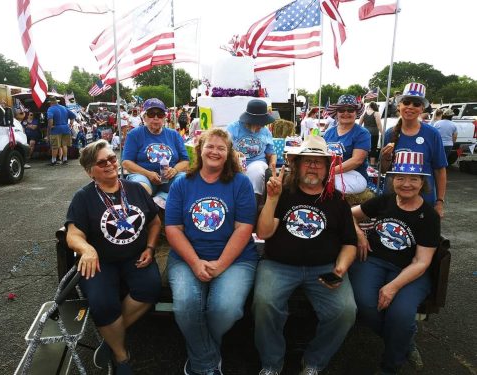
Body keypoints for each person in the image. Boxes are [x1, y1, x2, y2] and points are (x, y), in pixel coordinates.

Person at [253, 135, 357, 375]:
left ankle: (314, 362)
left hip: (325, 268)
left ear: (326, 168)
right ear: (297, 165)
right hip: (279, 265)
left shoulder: (338, 200)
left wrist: (339, 269)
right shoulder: (283, 193)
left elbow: (350, 243)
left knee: (345, 311)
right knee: (264, 303)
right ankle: (271, 364)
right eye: (307, 161)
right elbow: (264, 232)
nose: (313, 166)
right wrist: (272, 199)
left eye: (318, 162)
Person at [165, 128, 258, 375]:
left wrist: (220, 265)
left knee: (225, 309)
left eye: (221, 148)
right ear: (200, 149)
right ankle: (207, 362)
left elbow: (244, 229)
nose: (214, 151)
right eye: (210, 146)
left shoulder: (241, 183)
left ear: (228, 155)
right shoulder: (181, 183)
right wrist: (195, 263)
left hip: (236, 259)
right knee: (185, 304)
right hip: (187, 258)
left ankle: (200, 354)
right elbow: (173, 228)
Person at [65, 140, 162, 374]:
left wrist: (149, 248)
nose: (109, 164)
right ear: (90, 172)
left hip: (135, 256)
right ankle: (121, 355)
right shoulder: (83, 197)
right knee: (102, 304)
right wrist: (87, 250)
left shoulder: (136, 189)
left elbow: (155, 221)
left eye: (112, 158)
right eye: (102, 162)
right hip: (101, 261)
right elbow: (73, 234)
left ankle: (111, 336)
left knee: (151, 288)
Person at [349, 151, 440, 375]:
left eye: (413, 179)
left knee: (401, 315)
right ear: (392, 180)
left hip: (410, 270)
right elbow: (349, 214)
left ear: (423, 182)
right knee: (366, 304)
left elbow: (422, 262)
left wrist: (393, 287)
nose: (406, 184)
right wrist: (359, 234)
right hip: (374, 262)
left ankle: (390, 366)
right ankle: (405, 342)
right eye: (400, 178)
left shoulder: (429, 216)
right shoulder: (384, 201)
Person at [380, 82, 447, 217]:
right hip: (394, 198)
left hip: (424, 198)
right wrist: (386, 158)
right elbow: (384, 171)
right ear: (399, 106)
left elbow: (440, 170)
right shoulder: (389, 134)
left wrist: (440, 202)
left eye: (416, 104)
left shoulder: (432, 134)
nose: (410, 107)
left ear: (422, 109)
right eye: (407, 102)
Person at [122, 98, 189, 197]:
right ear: (144, 117)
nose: (156, 118)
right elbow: (126, 162)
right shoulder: (134, 134)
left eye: (160, 114)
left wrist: (174, 170)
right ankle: (150, 211)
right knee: (141, 188)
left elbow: (185, 161)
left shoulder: (174, 134)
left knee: (186, 183)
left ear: (164, 118)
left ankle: (172, 209)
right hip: (143, 176)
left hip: (170, 178)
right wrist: (148, 174)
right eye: (151, 114)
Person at [226, 99, 276, 201]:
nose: (262, 126)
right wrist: (233, 152)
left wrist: (271, 168)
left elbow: (272, 154)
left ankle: (253, 202)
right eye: (259, 123)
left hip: (258, 163)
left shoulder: (265, 131)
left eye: (263, 123)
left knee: (256, 171)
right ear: (250, 120)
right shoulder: (233, 128)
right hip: (236, 164)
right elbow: (223, 146)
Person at [323, 94, 371, 194]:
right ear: (336, 113)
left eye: (350, 110)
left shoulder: (362, 133)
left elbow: (357, 161)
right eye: (341, 110)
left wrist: (328, 172)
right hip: (330, 173)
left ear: (356, 113)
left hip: (355, 175)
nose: (346, 113)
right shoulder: (328, 133)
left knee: (327, 185)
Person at [46, 96, 76, 166]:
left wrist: (51, 127)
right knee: (64, 145)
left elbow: (50, 119)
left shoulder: (50, 109)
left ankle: (53, 161)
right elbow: (73, 116)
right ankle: (65, 160)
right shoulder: (63, 107)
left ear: (51, 103)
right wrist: (70, 124)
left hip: (56, 129)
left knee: (55, 146)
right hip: (66, 128)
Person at [359, 101, 382, 167]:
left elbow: (360, 124)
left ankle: (364, 162)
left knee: (364, 147)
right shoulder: (376, 113)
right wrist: (382, 133)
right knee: (373, 147)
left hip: (365, 132)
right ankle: (372, 163)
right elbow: (379, 124)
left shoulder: (364, 113)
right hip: (374, 132)